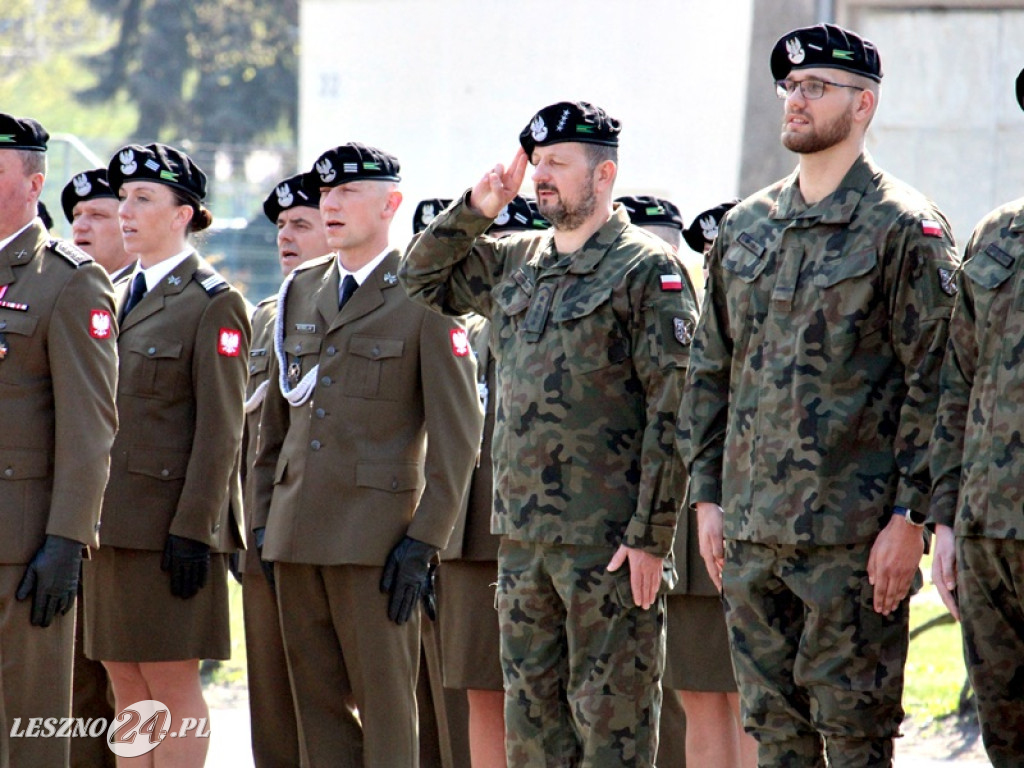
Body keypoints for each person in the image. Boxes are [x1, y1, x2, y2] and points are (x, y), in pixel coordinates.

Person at [683, 24, 960, 767]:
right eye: (790, 87)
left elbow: (936, 384)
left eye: (816, 88)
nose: (796, 100)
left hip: (853, 541)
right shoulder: (745, 228)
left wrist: (911, 516)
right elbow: (710, 370)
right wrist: (707, 499)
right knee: (775, 738)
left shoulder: (905, 228)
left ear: (863, 104)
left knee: (857, 739)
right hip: (749, 533)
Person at [401, 101, 697, 767]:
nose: (541, 176)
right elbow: (419, 280)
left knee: (611, 729)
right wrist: (475, 209)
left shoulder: (648, 270)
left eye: (558, 163)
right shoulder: (515, 262)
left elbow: (674, 414)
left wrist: (650, 539)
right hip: (525, 543)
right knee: (532, 733)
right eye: (537, 163)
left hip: (610, 548)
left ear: (603, 174)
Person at [250, 142, 482, 768]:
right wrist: (263, 522)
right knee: (316, 711)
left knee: (386, 713)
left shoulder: (424, 293)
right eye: (325, 194)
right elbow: (274, 429)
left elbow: (459, 437)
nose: (331, 205)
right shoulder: (301, 290)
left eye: (348, 192)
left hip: (379, 543)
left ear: (391, 204)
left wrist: (425, 541)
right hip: (297, 536)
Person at [82, 142, 250, 768]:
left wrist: (194, 530)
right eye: (123, 198)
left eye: (143, 198)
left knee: (171, 685)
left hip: (165, 531)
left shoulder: (213, 303)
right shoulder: (109, 291)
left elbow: (221, 430)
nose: (126, 210)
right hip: (107, 527)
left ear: (184, 214)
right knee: (125, 682)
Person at [0, 112, 118, 767]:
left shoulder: (68, 281)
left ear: (32, 183)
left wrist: (68, 540)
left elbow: (89, 425)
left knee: (30, 728)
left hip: (20, 544)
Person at [423, 194, 550, 768]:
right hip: (474, 535)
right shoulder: (467, 335)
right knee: (482, 691)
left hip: (545, 530)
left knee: (547, 698)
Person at [928, 66, 1024, 767]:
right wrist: (946, 522)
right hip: (990, 534)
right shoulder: (997, 237)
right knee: (1007, 735)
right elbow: (956, 384)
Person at [242, 171, 327, 768]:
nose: (285, 237)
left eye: (301, 224)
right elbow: (250, 436)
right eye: (281, 227)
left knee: (334, 700)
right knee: (272, 696)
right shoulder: (269, 315)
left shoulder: (387, 306)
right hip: (268, 528)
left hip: (340, 529)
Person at [60, 166, 131, 768]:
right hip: (60, 520)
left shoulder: (162, 298)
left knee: (129, 691)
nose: (83, 226)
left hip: (130, 526)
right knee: (72, 691)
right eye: (77, 216)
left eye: (99, 215)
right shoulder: (56, 289)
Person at [61, 168, 136, 281]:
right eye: (77, 215)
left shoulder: (145, 289)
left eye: (97, 215)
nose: (79, 226)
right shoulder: (69, 289)